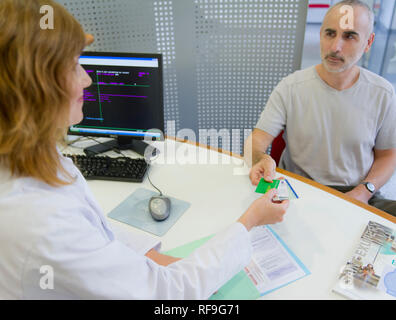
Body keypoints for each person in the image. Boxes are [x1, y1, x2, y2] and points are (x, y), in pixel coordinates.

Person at [0, 0, 289, 299]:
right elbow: (165, 295)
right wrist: (250, 220)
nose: (86, 79)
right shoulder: (40, 222)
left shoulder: (33, 158)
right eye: (73, 66)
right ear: (35, 88)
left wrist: (151, 258)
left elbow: (98, 232)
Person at [244, 0, 396, 216]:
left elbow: (388, 156)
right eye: (330, 33)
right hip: (300, 190)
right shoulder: (291, 87)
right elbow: (256, 140)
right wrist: (260, 157)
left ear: (368, 42)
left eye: (349, 36)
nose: (335, 47)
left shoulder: (383, 94)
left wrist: (364, 191)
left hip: (355, 192)